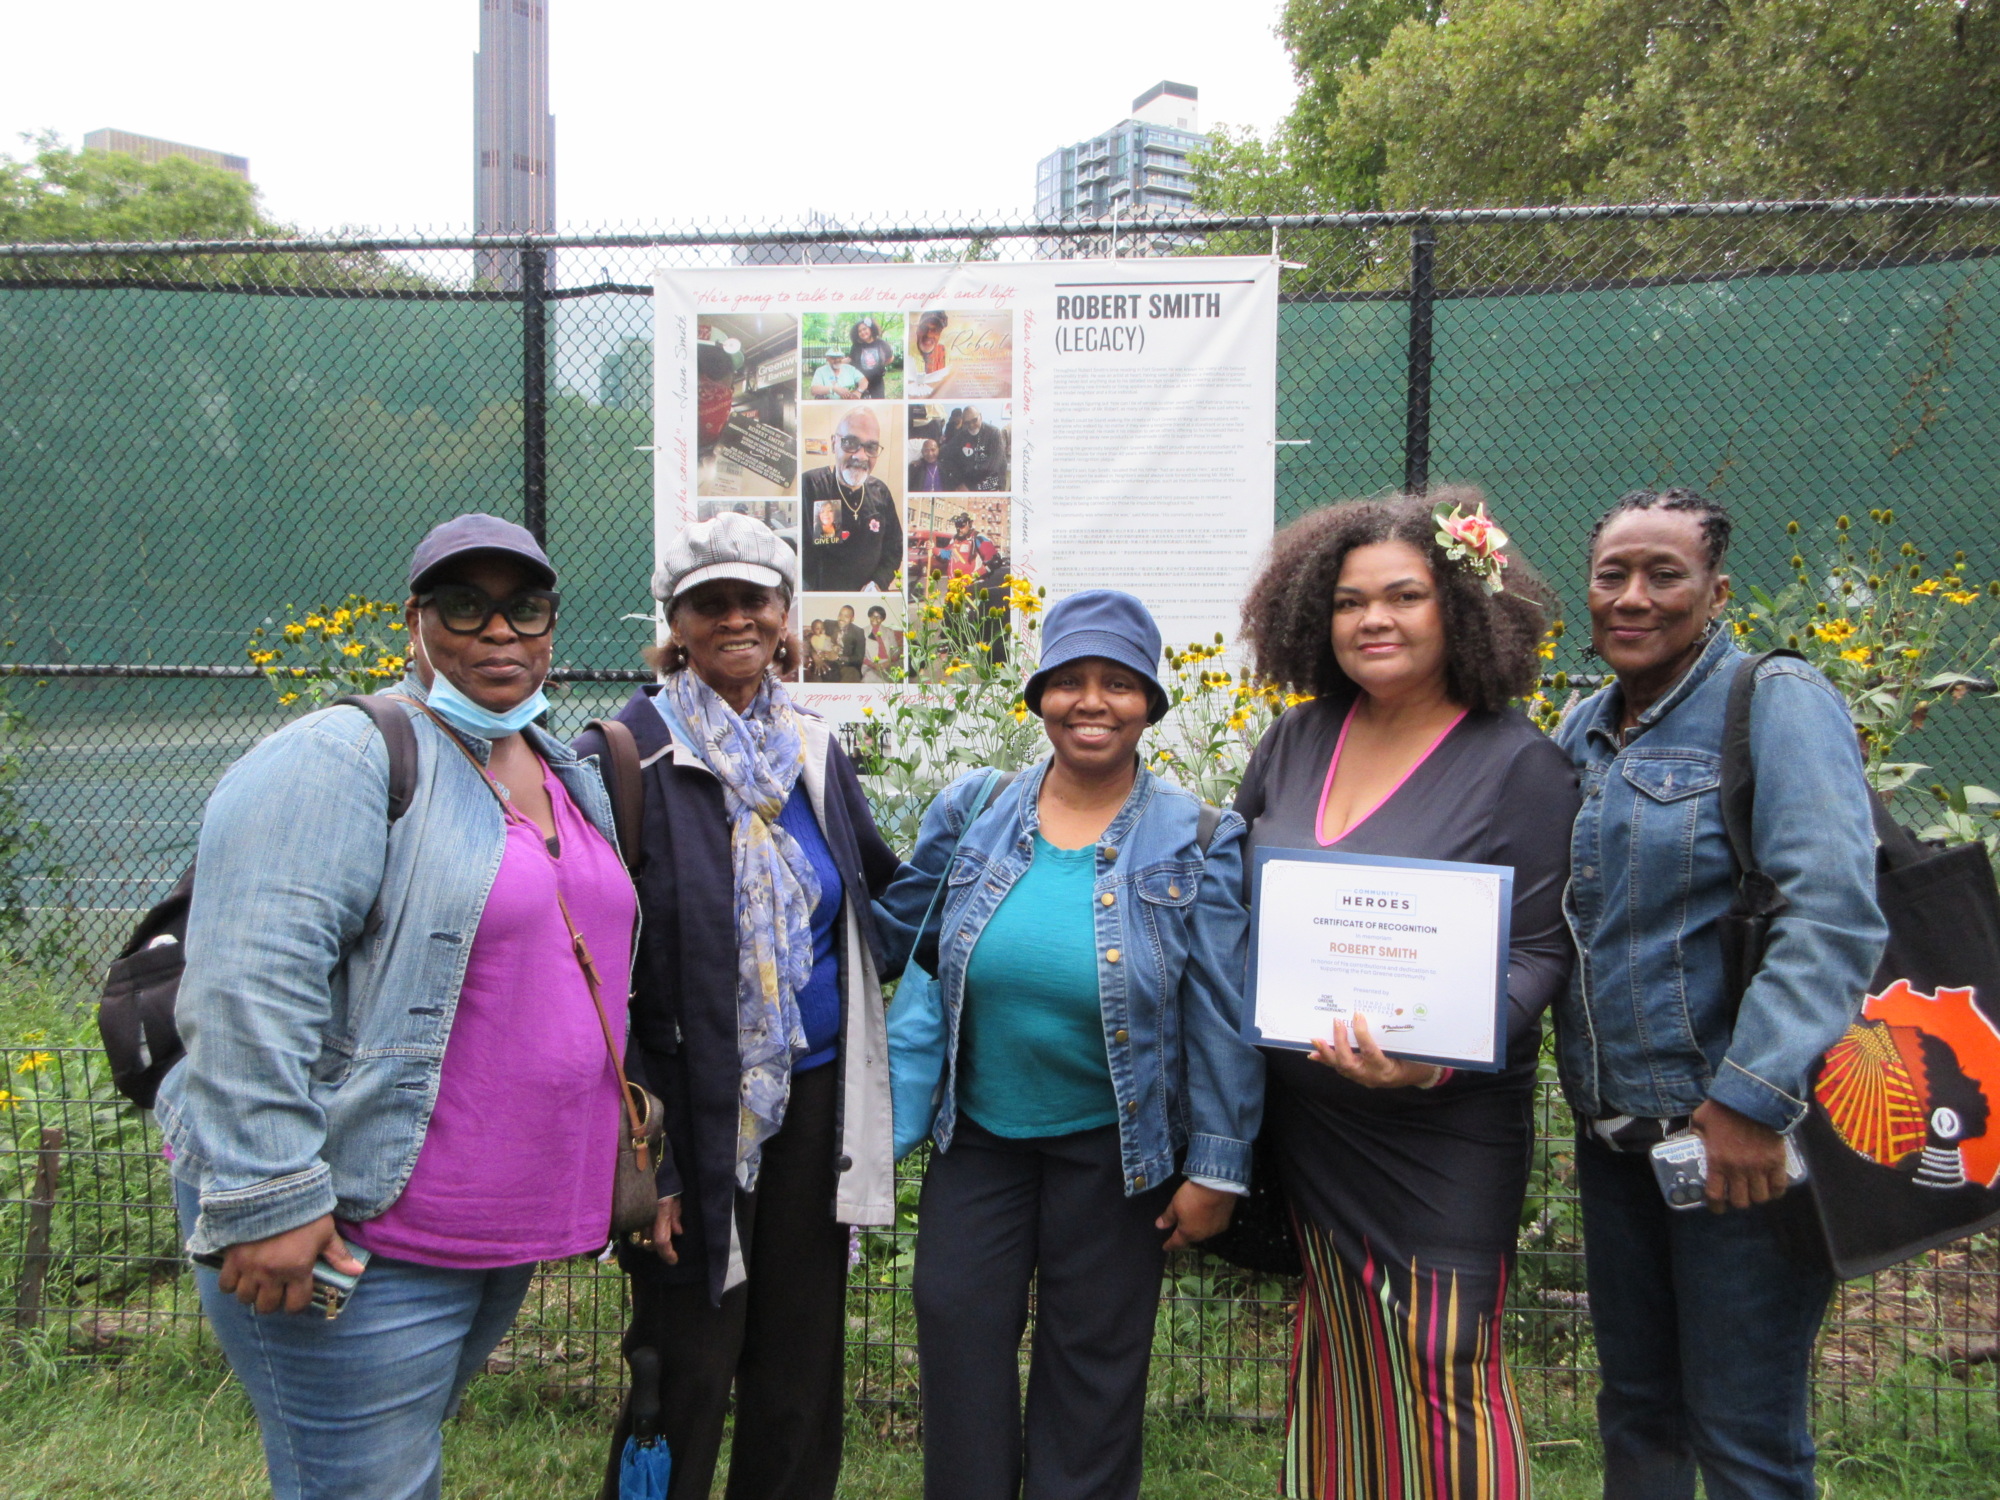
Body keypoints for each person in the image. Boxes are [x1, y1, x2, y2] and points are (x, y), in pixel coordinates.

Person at [156, 514, 636, 1500]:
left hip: (490, 1236)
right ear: (413, 622)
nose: (499, 631)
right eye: (465, 605)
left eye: (525, 606)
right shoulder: (343, 757)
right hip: (359, 1237)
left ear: (551, 625)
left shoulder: (562, 770)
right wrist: (269, 1198)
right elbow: (247, 987)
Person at [1232, 490, 1580, 1499]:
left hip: (1440, 1127)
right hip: (1310, 1117)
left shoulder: (1519, 763)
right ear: (1311, 615)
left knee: (1444, 1363)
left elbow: (1537, 955)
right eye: (1346, 602)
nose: (1371, 620)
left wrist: (1434, 1056)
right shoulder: (1295, 741)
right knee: (1333, 1355)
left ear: (1461, 608)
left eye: (1401, 596)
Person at [881, 588, 1263, 1500]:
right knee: (957, 1330)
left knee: (1093, 1367)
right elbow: (890, 931)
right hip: (979, 1141)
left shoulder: (1200, 838)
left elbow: (1222, 1015)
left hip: (1114, 1151)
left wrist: (1218, 1166)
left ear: (1150, 704)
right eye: (1070, 682)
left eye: (1119, 684)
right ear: (1039, 694)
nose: (1092, 702)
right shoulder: (974, 809)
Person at [1554, 488, 1886, 1500]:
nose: (1632, 596)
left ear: (1715, 591)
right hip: (1616, 1144)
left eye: (1663, 574)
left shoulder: (1771, 700)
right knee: (1639, 1416)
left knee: (1743, 1437)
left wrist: (1749, 1099)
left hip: (1737, 1149)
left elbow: (1830, 916)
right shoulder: (1580, 728)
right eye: (1612, 574)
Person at [587, 512, 905, 1500]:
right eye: (706, 603)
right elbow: (601, 976)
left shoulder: (811, 749)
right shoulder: (626, 757)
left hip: (812, 1104)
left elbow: (876, 903)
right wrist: (656, 1161)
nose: (733, 618)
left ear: (783, 615)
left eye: (752, 600)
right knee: (683, 1366)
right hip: (694, 1110)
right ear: (673, 622)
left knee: (799, 1368)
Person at [801, 407, 902, 593]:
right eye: (850, 443)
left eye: (871, 447)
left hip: (867, 601)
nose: (860, 456)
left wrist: (879, 582)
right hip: (821, 599)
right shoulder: (809, 486)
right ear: (834, 443)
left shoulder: (881, 492)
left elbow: (894, 548)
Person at [942, 405, 1005, 491]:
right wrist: (958, 481)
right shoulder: (961, 436)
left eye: (974, 420)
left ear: (981, 417)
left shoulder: (994, 433)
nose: (971, 425)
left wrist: (968, 484)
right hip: (967, 486)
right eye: (967, 423)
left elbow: (992, 465)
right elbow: (947, 455)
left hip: (991, 485)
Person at [941, 511, 998, 579]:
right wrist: (932, 548)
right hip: (954, 584)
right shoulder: (954, 539)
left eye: (962, 525)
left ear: (969, 524)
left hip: (973, 585)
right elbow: (947, 555)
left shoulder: (978, 538)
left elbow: (995, 562)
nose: (959, 529)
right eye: (957, 525)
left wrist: (973, 576)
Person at [848, 317, 894, 399]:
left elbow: (890, 358)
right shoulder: (856, 346)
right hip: (861, 381)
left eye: (864, 329)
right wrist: (837, 361)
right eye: (859, 331)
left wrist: (880, 365)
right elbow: (850, 359)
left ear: (870, 329)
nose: (862, 332)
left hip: (877, 382)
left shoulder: (881, 343)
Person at [910, 310, 952, 397]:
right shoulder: (907, 353)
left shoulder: (944, 352)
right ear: (917, 330)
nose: (928, 334)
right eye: (924, 328)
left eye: (935, 330)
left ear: (940, 334)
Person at [861, 604, 900, 683]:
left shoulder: (889, 632)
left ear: (882, 619)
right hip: (870, 666)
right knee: (870, 677)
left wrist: (888, 662)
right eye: (872, 616)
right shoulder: (862, 632)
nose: (875, 619)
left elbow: (896, 652)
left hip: (888, 664)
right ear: (869, 616)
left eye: (878, 617)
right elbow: (860, 654)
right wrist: (873, 665)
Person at [835, 603, 866, 683]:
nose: (841, 618)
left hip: (848, 666)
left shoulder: (858, 632)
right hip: (831, 665)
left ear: (852, 619)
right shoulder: (829, 625)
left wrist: (839, 657)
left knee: (851, 674)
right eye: (840, 615)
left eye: (846, 616)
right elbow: (810, 637)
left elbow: (859, 658)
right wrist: (815, 656)